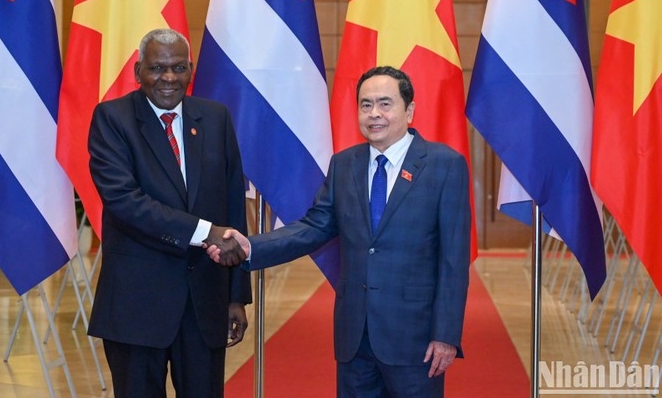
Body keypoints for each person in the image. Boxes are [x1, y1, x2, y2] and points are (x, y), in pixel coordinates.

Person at [207, 66, 470, 397]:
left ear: (410, 110)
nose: (374, 113)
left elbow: (453, 260)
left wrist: (445, 333)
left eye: (385, 104)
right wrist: (250, 247)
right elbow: (314, 226)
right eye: (365, 104)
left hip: (415, 338)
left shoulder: (444, 165)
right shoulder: (345, 164)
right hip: (354, 337)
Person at [87, 28, 251, 398]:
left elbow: (232, 208)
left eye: (178, 67)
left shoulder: (215, 118)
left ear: (191, 69)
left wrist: (235, 295)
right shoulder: (112, 119)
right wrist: (203, 231)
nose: (169, 77)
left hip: (205, 304)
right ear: (137, 70)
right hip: (137, 305)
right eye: (157, 68)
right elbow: (125, 202)